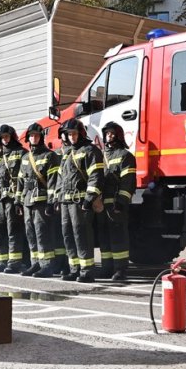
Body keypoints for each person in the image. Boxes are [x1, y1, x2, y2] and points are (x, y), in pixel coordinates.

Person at [54, 118, 104, 283]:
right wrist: (57, 198)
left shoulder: (90, 151)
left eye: (74, 134)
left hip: (80, 202)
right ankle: (74, 269)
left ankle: (87, 271)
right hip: (66, 202)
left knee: (81, 235)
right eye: (68, 134)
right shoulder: (67, 153)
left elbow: (95, 177)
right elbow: (60, 178)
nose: (71, 137)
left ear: (80, 133)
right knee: (67, 234)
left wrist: (89, 199)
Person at [16, 122, 60, 277]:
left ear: (41, 137)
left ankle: (47, 265)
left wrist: (50, 201)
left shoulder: (50, 156)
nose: (33, 138)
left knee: (42, 233)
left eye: (36, 135)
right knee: (30, 233)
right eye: (31, 136)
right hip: (27, 201)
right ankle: (35, 263)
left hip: (41, 202)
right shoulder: (26, 157)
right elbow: (20, 182)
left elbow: (54, 181)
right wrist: (18, 201)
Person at [97, 121, 136, 280]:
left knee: (118, 236)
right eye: (107, 133)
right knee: (104, 237)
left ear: (118, 135)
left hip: (115, 204)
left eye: (112, 133)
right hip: (101, 204)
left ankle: (121, 269)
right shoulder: (100, 155)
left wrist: (121, 201)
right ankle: (107, 268)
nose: (109, 136)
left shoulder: (125, 156)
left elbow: (128, 181)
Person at [0, 125, 28, 274]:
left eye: (7, 136)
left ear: (12, 137)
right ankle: (1, 260)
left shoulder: (21, 153)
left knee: (13, 230)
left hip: (13, 198)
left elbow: (24, 177)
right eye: (2, 137)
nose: (5, 139)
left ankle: (14, 262)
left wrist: (19, 200)